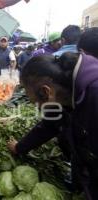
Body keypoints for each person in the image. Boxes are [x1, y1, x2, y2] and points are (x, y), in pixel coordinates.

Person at [7, 53, 98, 199]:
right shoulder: (64, 94)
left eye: (35, 103)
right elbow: (49, 125)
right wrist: (20, 147)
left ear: (46, 91)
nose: (38, 108)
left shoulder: (94, 96)